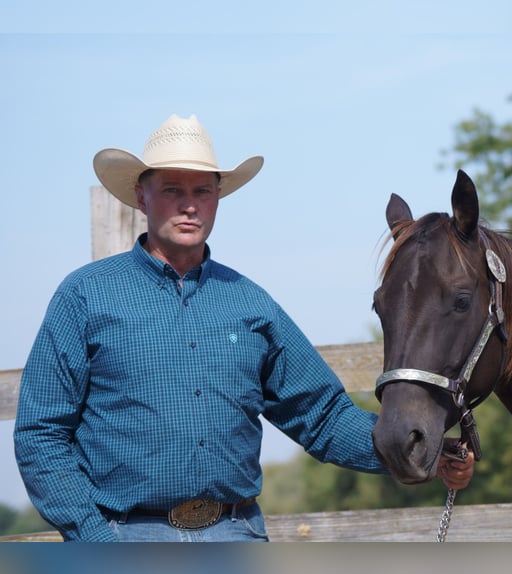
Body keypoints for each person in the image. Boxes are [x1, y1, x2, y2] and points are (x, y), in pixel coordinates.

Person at [13, 114, 474, 542]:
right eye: (172, 190)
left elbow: (322, 415)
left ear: (218, 198)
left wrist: (425, 453)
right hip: (126, 536)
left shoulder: (251, 303)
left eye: (203, 191)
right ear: (141, 195)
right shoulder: (85, 296)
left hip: (234, 532)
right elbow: (40, 434)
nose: (189, 206)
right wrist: (94, 539)